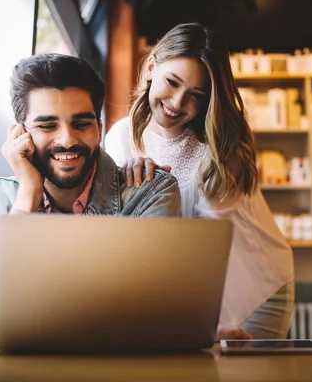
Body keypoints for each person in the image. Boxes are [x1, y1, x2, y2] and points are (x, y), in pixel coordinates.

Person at [0, 53, 181, 344]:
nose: (67, 140)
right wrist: (24, 205)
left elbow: (152, 319)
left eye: (81, 123)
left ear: (99, 129)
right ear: (19, 134)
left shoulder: (149, 193)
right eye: (47, 126)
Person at [105, 23, 294, 340]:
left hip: (254, 286)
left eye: (195, 95)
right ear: (152, 67)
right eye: (172, 82)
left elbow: (206, 251)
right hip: (187, 290)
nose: (177, 103)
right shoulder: (119, 139)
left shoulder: (221, 151)